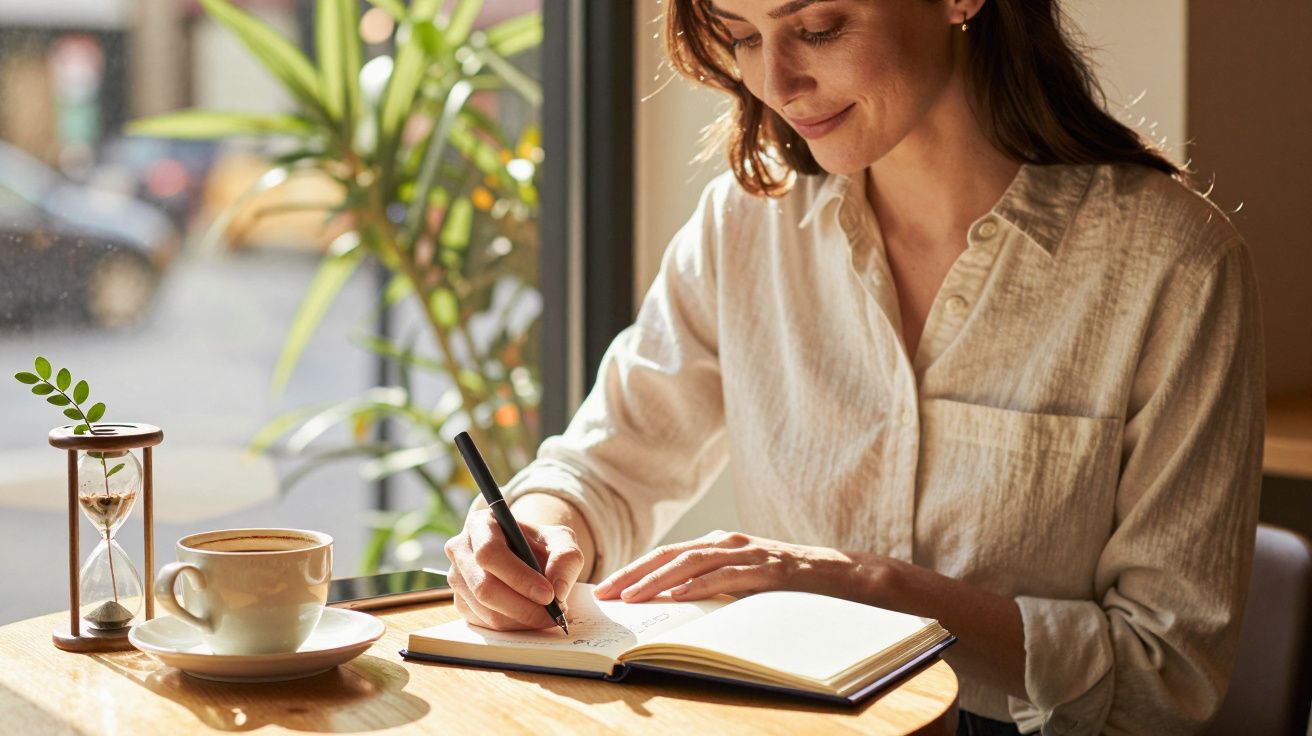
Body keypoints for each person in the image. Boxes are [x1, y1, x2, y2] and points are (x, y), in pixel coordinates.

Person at [443, 1, 1265, 734]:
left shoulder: (1172, 266)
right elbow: (606, 466)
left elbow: (1166, 673)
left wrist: (863, 585)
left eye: (818, 29)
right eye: (742, 37)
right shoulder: (746, 224)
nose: (779, 83)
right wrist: (536, 528)